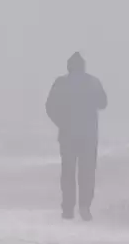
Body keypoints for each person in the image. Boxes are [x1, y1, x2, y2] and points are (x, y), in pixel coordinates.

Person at [45, 52, 107, 220]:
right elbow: (103, 103)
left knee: (68, 173)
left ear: (68, 67)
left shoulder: (61, 83)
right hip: (89, 136)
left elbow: (49, 106)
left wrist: (61, 122)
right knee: (87, 173)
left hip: (67, 136)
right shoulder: (93, 82)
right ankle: (85, 208)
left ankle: (68, 209)